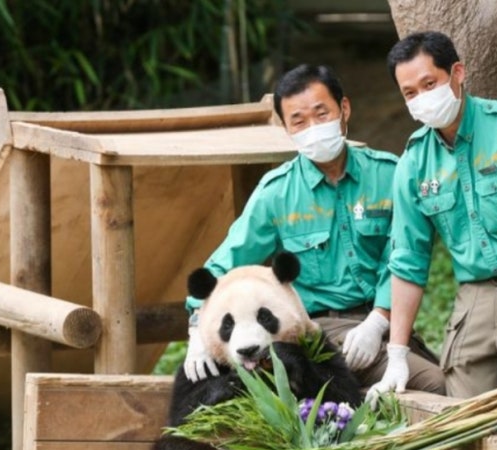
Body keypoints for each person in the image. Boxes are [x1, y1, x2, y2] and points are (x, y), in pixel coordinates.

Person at [367, 31, 497, 442]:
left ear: (458, 73)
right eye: (409, 92)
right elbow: (408, 260)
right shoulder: (413, 163)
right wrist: (396, 353)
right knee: (466, 437)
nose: (421, 98)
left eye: (429, 84)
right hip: (473, 305)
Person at [182, 63, 445, 394]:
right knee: (432, 385)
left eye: (322, 114)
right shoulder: (276, 192)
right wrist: (197, 331)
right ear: (286, 128)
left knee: (440, 380)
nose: (313, 128)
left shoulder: (389, 174)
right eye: (299, 121)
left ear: (343, 109)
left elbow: (401, 255)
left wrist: (377, 321)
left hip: (381, 322)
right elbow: (222, 265)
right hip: (313, 329)